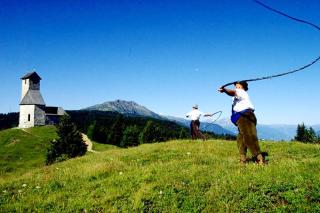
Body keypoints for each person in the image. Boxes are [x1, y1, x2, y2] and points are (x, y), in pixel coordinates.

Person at [218, 81, 265, 164]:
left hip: (245, 116)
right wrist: (225, 91)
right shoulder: (237, 96)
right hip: (241, 117)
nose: (236, 88)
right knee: (241, 139)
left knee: (249, 137)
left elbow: (232, 92)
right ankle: (243, 159)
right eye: (236, 87)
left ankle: (259, 158)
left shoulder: (241, 92)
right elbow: (233, 93)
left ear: (242, 88)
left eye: (238, 86)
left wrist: (225, 90)